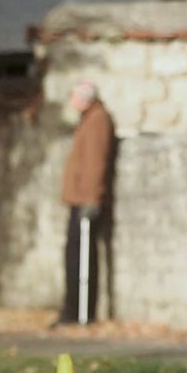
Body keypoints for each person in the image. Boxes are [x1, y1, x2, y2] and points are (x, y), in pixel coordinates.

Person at [54, 80, 116, 327]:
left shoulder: (98, 120)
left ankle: (79, 311)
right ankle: (70, 307)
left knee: (81, 257)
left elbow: (95, 163)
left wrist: (92, 199)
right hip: (78, 198)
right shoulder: (89, 120)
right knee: (72, 254)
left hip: (86, 200)